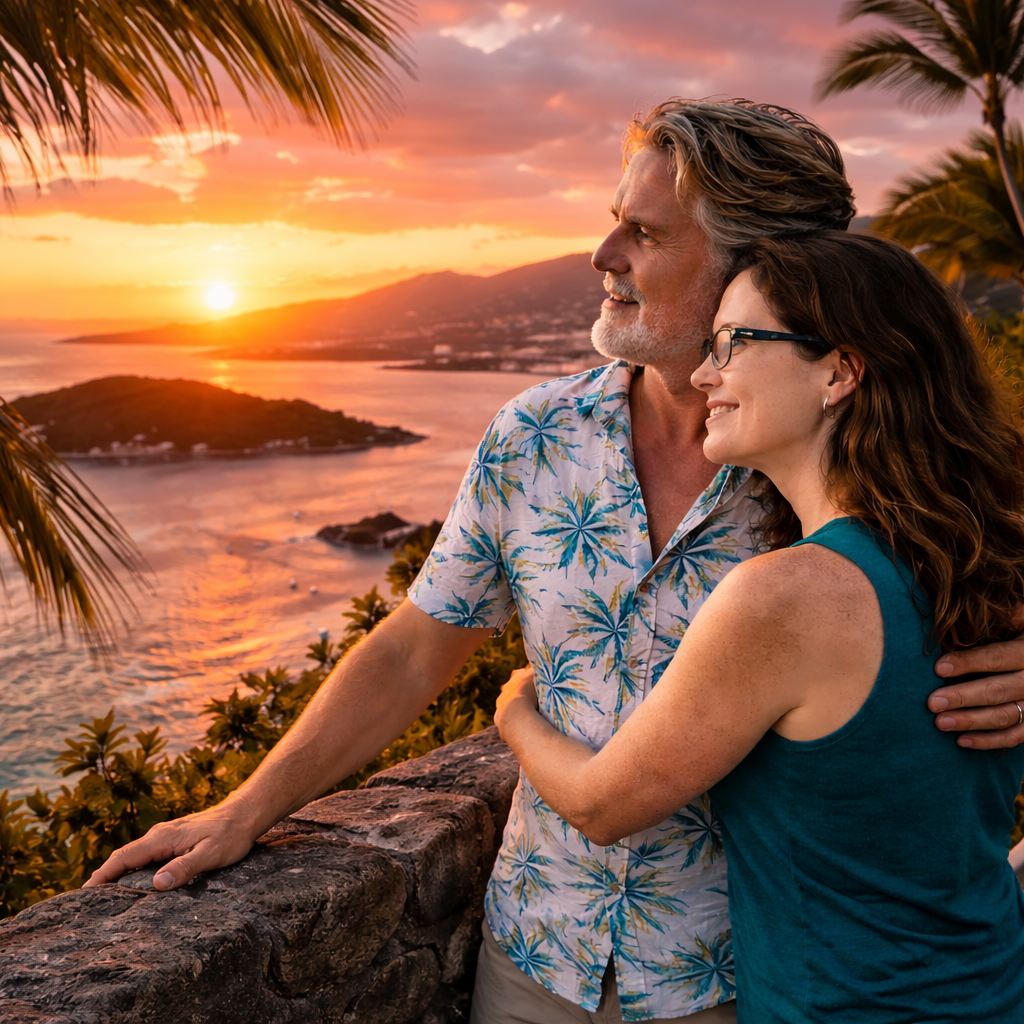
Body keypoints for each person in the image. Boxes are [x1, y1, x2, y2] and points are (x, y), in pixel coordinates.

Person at [84, 100, 1024, 1023]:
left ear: (756, 267)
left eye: (644, 233)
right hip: (536, 951)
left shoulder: (828, 468)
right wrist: (246, 809)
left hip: (734, 975)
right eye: (613, 222)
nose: (603, 255)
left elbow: (945, 579)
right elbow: (416, 647)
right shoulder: (534, 434)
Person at [493, 230, 1024, 1023]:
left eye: (735, 344)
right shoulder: (976, 560)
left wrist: (513, 713)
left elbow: (603, 806)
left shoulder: (786, 597)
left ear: (841, 370)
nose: (705, 374)